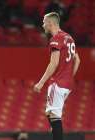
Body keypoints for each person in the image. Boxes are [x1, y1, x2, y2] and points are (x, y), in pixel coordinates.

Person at [33, 12, 80, 140]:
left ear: (51, 23)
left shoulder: (56, 39)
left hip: (58, 82)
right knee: (50, 113)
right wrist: (69, 76)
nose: (43, 25)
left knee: (54, 116)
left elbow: (53, 63)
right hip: (68, 84)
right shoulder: (69, 37)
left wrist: (41, 82)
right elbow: (78, 60)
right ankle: (56, 132)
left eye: (44, 22)